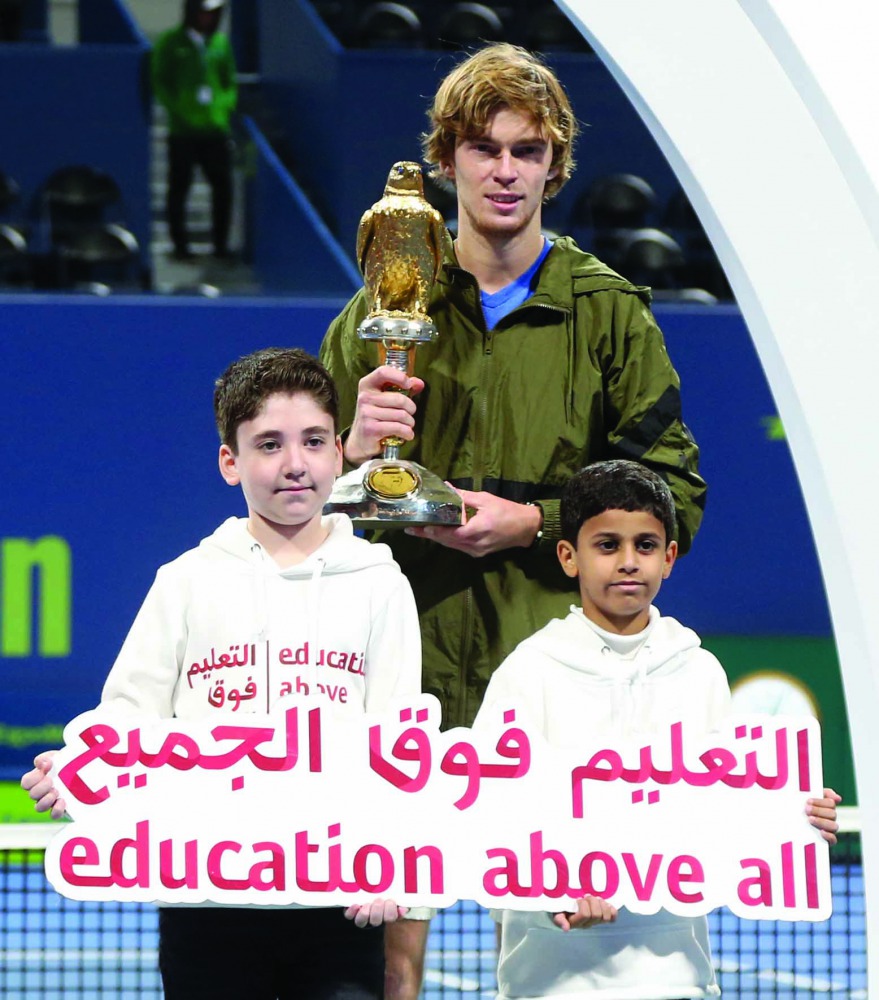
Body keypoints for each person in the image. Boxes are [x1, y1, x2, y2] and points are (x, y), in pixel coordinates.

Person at [320, 42, 708, 996]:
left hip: (552, 669)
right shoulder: (381, 299)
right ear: (446, 158)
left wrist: (531, 524)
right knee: (384, 953)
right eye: (484, 148)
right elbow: (294, 501)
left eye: (526, 151)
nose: (504, 171)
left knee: (553, 950)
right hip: (399, 652)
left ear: (554, 165)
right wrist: (353, 452)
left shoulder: (609, 316)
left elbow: (674, 491)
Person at [21, 347, 421, 1000]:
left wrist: (392, 864)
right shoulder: (185, 582)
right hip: (205, 894)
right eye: (269, 444)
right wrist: (83, 765)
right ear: (230, 462)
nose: (295, 464)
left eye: (314, 441)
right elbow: (130, 715)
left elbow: (399, 740)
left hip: (338, 900)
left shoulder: (379, 583)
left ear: (339, 450)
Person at [474, 459, 841, 999]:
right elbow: (483, 813)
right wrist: (549, 889)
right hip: (549, 984)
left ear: (669, 558)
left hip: (677, 981)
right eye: (607, 545)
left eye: (645, 545)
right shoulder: (528, 671)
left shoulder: (700, 671)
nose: (628, 562)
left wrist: (796, 819)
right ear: (568, 556)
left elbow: (725, 804)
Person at [151, 0, 237, 260]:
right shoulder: (171, 42)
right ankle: (180, 246)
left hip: (214, 131)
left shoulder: (221, 44)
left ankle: (220, 246)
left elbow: (229, 83)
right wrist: (181, 109)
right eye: (202, 12)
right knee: (179, 188)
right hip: (183, 132)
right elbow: (160, 81)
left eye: (212, 13)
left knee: (222, 188)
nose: (206, 18)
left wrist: (220, 108)